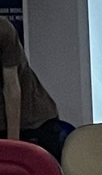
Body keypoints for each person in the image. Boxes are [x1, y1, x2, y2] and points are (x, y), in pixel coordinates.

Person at [0, 16, 63, 163]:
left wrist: (13, 147)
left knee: (24, 172)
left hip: (33, 122)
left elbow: (12, 89)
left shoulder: (3, 29)